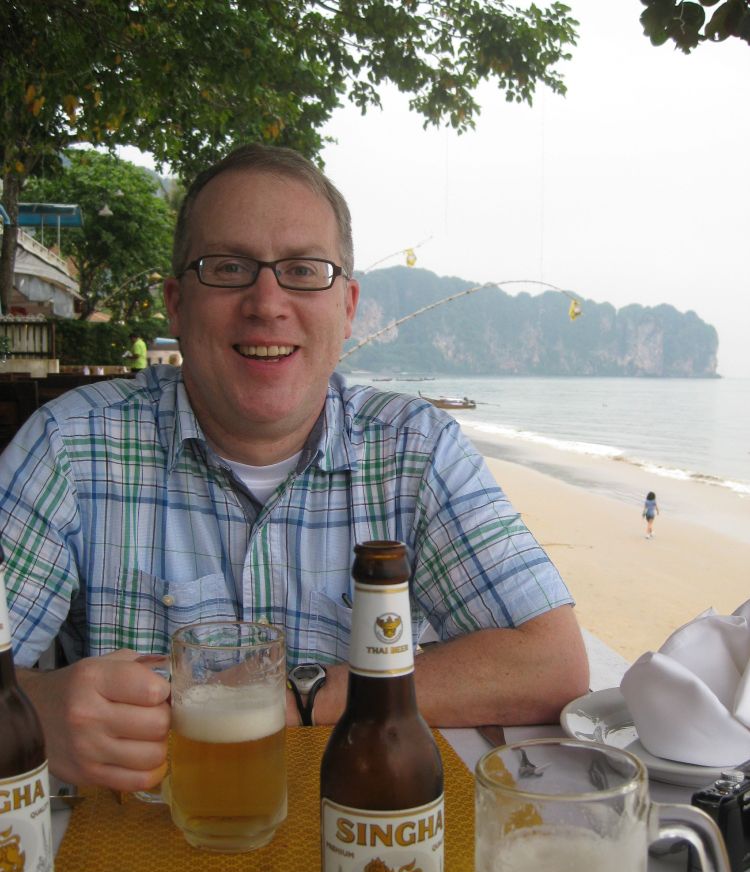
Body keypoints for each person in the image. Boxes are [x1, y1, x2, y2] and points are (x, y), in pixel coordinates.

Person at [0, 143, 588, 794]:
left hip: (363, 829)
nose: (267, 302)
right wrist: (36, 710)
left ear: (348, 307)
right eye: (229, 268)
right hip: (142, 837)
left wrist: (298, 697)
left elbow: (551, 662)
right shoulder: (70, 447)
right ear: (176, 303)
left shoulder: (416, 451)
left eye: (304, 271)